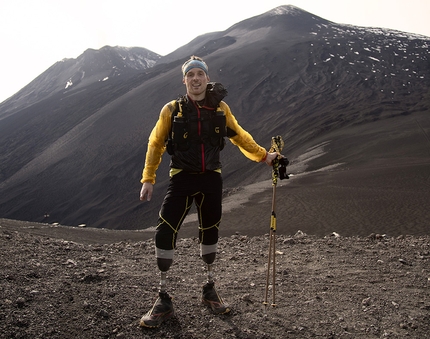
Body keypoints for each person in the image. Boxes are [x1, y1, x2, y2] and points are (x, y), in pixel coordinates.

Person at [139, 56, 279, 328]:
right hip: (181, 178)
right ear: (184, 80)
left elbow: (239, 136)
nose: (195, 78)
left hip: (211, 179)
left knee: (210, 231)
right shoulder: (172, 110)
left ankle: (210, 289)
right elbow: (155, 143)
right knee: (165, 230)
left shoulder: (220, 108)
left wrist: (264, 156)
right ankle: (163, 298)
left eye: (199, 74)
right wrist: (148, 178)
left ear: (207, 77)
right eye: (190, 74)